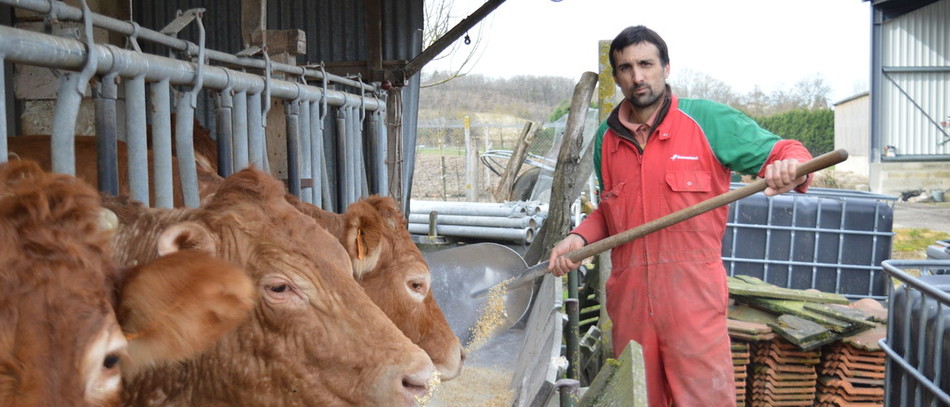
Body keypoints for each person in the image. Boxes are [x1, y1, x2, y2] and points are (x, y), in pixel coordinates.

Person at [547, 25, 813, 407]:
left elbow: (787, 150)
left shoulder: (707, 121)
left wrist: (792, 166)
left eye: (646, 64)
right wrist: (580, 238)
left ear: (666, 68)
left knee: (704, 399)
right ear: (617, 76)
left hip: (692, 298)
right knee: (638, 399)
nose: (637, 76)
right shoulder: (607, 138)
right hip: (631, 300)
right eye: (625, 67)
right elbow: (611, 211)